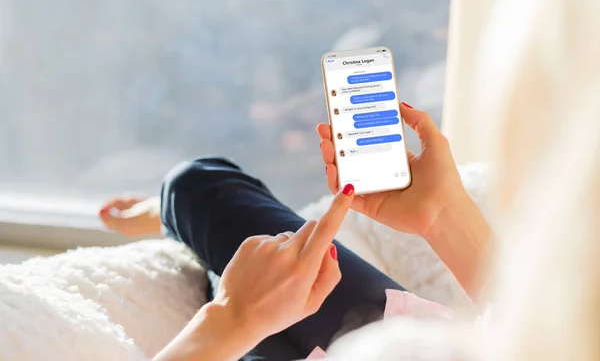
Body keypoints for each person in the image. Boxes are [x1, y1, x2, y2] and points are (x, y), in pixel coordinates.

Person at [100, 103, 492, 360]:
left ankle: (181, 229)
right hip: (411, 347)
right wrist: (442, 214)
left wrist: (233, 316)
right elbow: (543, 335)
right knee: (212, 213)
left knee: (195, 186)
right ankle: (189, 236)